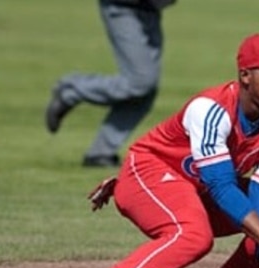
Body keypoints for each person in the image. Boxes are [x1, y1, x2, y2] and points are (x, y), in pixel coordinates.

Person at [55, 33, 259, 268]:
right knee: (194, 235)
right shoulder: (211, 109)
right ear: (245, 75)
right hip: (149, 174)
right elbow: (222, 187)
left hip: (196, 190)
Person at [45, 0, 176, 167]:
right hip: (124, 6)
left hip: (149, 9)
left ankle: (100, 153)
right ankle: (72, 90)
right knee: (140, 81)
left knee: (145, 91)